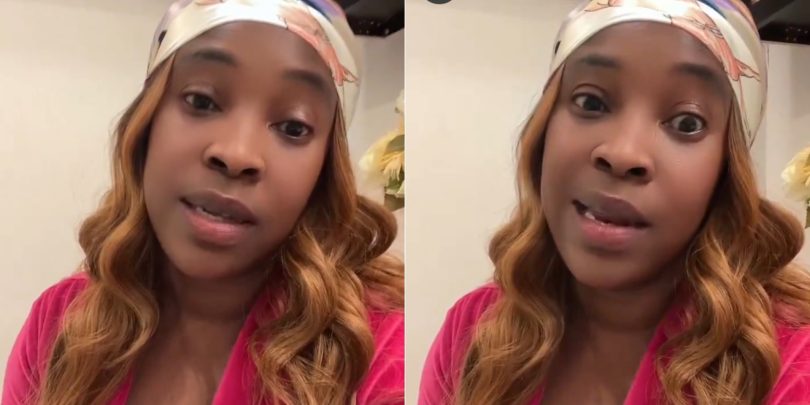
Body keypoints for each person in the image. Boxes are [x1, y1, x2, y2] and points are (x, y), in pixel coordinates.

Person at [2, 1, 403, 404]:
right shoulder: (60, 327)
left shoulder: (382, 349)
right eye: (201, 101)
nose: (237, 154)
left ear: (324, 169)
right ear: (146, 125)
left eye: (293, 127)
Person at [418, 0, 810, 404]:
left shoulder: (791, 364)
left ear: (727, 169)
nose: (623, 153)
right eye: (591, 102)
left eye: (687, 123)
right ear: (543, 131)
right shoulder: (472, 335)